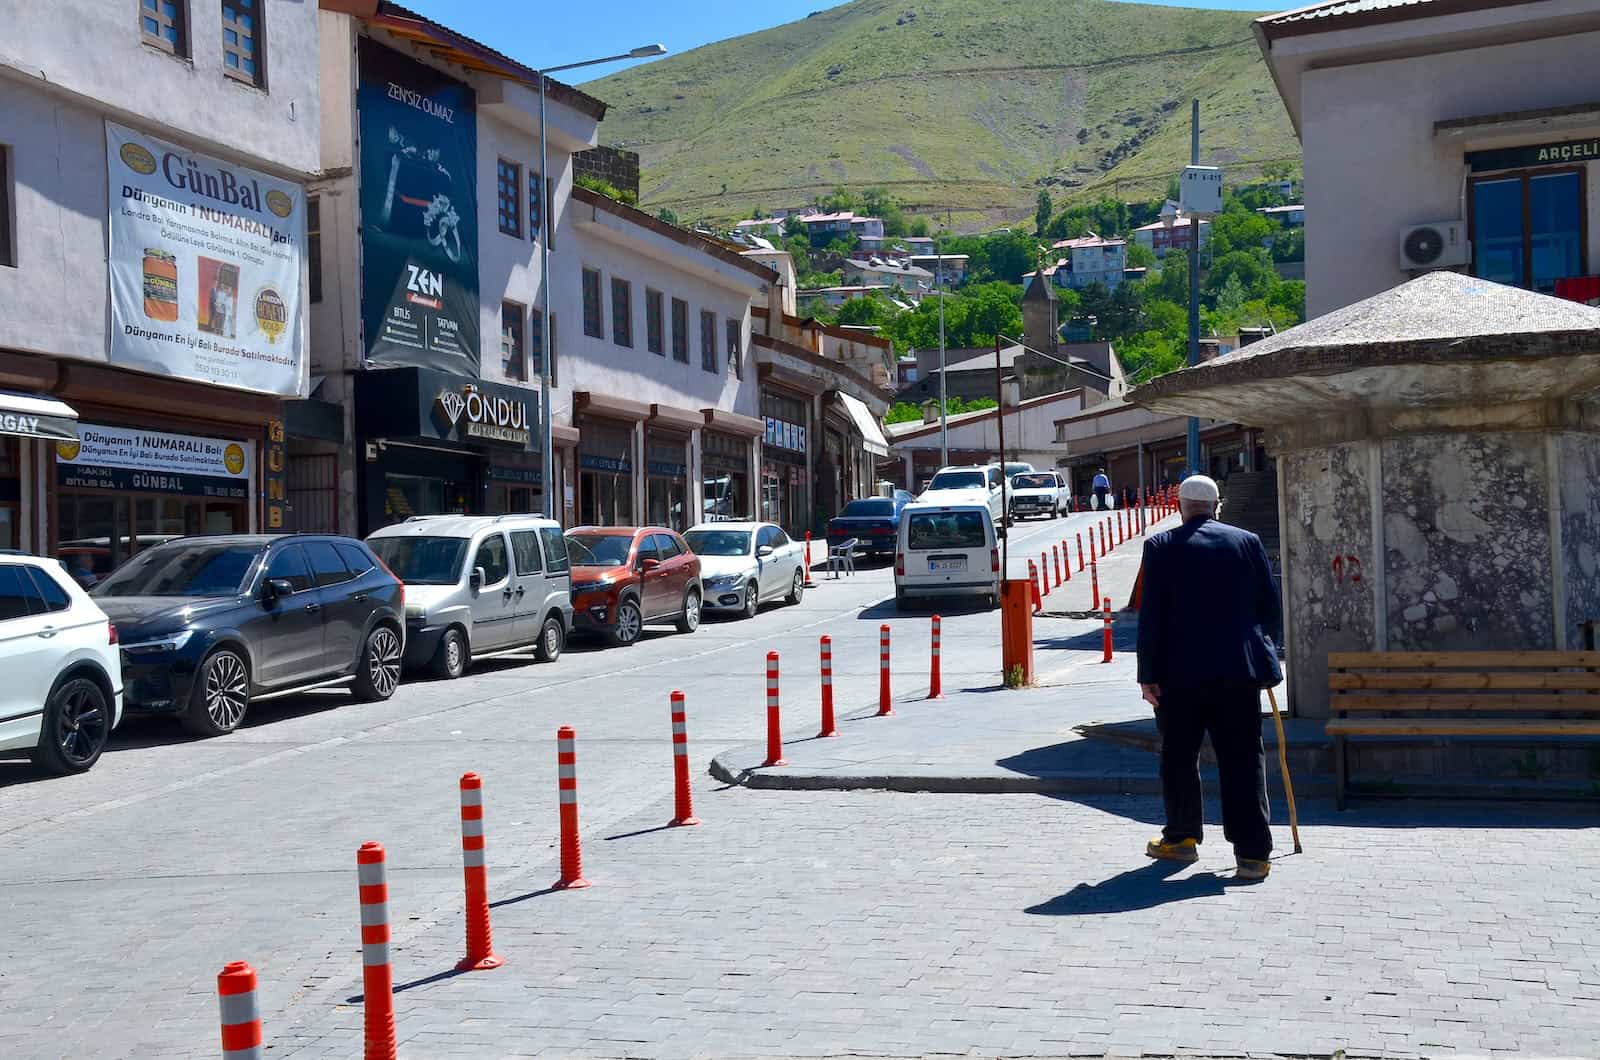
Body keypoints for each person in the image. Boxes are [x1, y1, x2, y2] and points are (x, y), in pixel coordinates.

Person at [1135, 474, 1282, 881]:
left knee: (1179, 757)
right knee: (1244, 759)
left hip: (1178, 677)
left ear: (1181, 506)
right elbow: (1269, 608)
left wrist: (1147, 675)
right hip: (1238, 672)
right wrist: (1260, 649)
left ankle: (1182, 839)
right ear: (1217, 505)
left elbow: (1152, 619)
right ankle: (1252, 856)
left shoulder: (1161, 547)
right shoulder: (1246, 541)